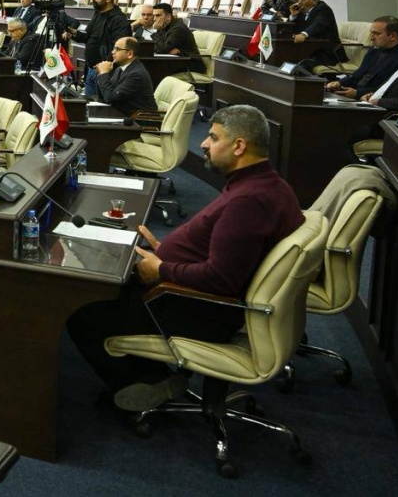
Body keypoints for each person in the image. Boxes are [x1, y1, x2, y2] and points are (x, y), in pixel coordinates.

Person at [67, 105, 303, 412]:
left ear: (239, 146)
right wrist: (163, 249)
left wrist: (163, 268)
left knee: (82, 308)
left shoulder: (249, 201)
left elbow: (222, 278)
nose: (203, 143)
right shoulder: (264, 184)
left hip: (192, 307)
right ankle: (155, 376)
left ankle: (140, 385)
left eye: (213, 137)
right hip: (186, 291)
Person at [71, 0, 131, 96]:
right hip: (90, 69)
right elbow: (88, 38)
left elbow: (118, 48)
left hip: (106, 72)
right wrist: (72, 33)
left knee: (99, 108)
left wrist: (103, 65)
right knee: (89, 107)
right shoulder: (98, 14)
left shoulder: (119, 20)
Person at [327, 17, 398, 99]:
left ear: (392, 36)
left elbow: (389, 89)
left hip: (370, 98)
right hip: (353, 92)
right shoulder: (375, 49)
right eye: (371, 33)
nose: (371, 38)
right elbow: (358, 74)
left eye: (377, 34)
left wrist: (358, 93)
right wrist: (339, 83)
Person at [94, 36, 156, 115]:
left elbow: (110, 98)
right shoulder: (120, 69)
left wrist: (104, 74)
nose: (112, 52)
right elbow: (105, 95)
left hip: (139, 121)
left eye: (117, 49)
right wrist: (101, 73)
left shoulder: (136, 74)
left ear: (129, 54)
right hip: (122, 115)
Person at [288, 0, 346, 66]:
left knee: (302, 64)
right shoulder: (302, 11)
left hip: (326, 52)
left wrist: (303, 34)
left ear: (314, 0)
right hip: (310, 49)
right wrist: (293, 16)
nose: (299, 2)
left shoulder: (323, 8)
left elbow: (318, 24)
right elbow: (296, 28)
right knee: (287, 59)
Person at [149, 2, 200, 68]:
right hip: (177, 60)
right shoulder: (163, 27)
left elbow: (162, 49)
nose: (154, 19)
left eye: (158, 15)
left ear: (168, 16)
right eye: (154, 16)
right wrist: (166, 50)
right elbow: (156, 47)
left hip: (191, 63)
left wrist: (156, 31)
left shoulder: (178, 28)